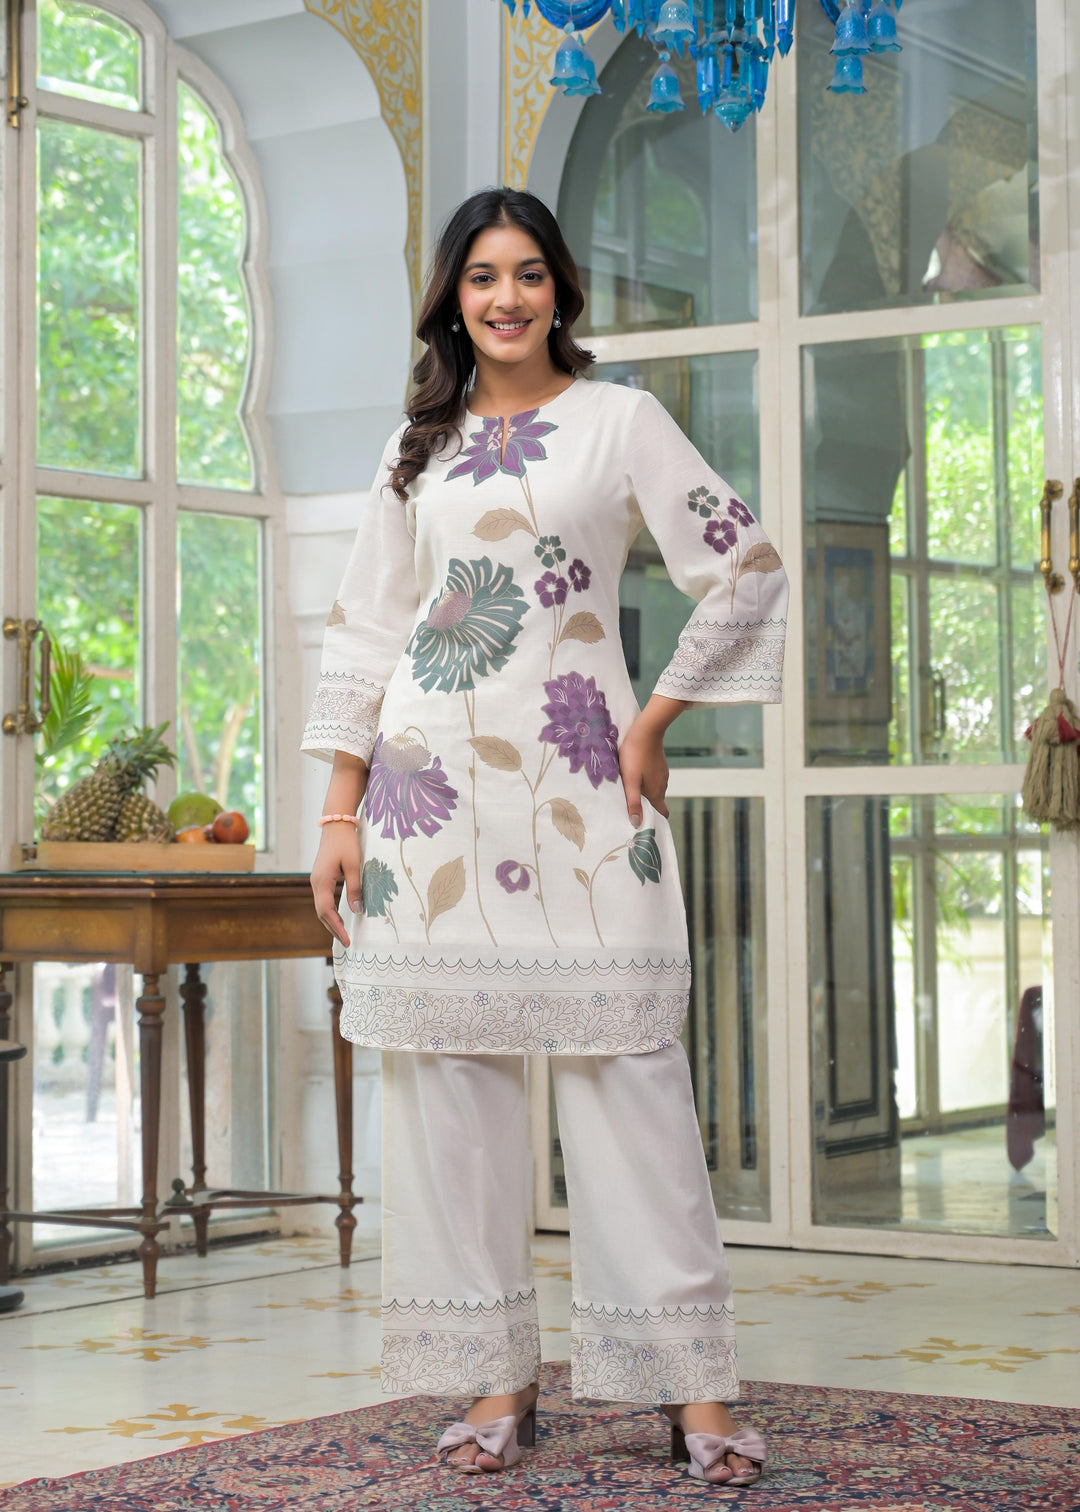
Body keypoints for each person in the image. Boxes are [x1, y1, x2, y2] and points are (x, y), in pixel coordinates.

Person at [305, 187, 787, 1487]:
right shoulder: (418, 447)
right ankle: (497, 1379)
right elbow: (366, 631)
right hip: (426, 798)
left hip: (583, 786)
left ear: (562, 288)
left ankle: (691, 1386)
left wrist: (656, 720)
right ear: (452, 300)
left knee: (630, 1077)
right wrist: (341, 811)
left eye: (526, 274)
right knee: (448, 1089)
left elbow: (745, 566)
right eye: (481, 277)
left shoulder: (621, 422)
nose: (505, 297)